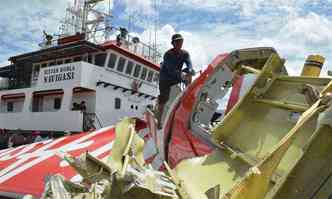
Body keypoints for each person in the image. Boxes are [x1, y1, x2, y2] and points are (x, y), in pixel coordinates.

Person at [156, 33, 195, 128]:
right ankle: (159, 121)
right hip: (165, 78)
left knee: (190, 73)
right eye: (177, 42)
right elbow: (171, 70)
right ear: (173, 43)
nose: (179, 43)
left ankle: (188, 96)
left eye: (181, 41)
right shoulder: (168, 55)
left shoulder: (185, 54)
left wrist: (190, 70)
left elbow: (189, 64)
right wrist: (182, 75)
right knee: (164, 98)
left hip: (176, 76)